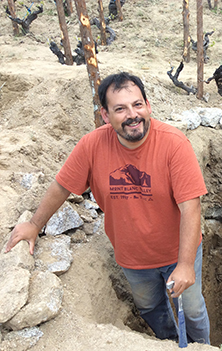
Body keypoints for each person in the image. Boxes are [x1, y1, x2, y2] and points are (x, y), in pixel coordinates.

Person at [4, 72, 210, 344]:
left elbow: (190, 207)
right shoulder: (92, 145)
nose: (132, 115)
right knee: (151, 308)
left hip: (178, 251)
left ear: (148, 105)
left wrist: (184, 264)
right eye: (120, 109)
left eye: (137, 105)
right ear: (105, 115)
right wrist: (34, 225)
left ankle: (203, 348)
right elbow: (62, 186)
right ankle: (169, 344)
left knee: (193, 310)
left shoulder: (174, 144)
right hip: (133, 258)